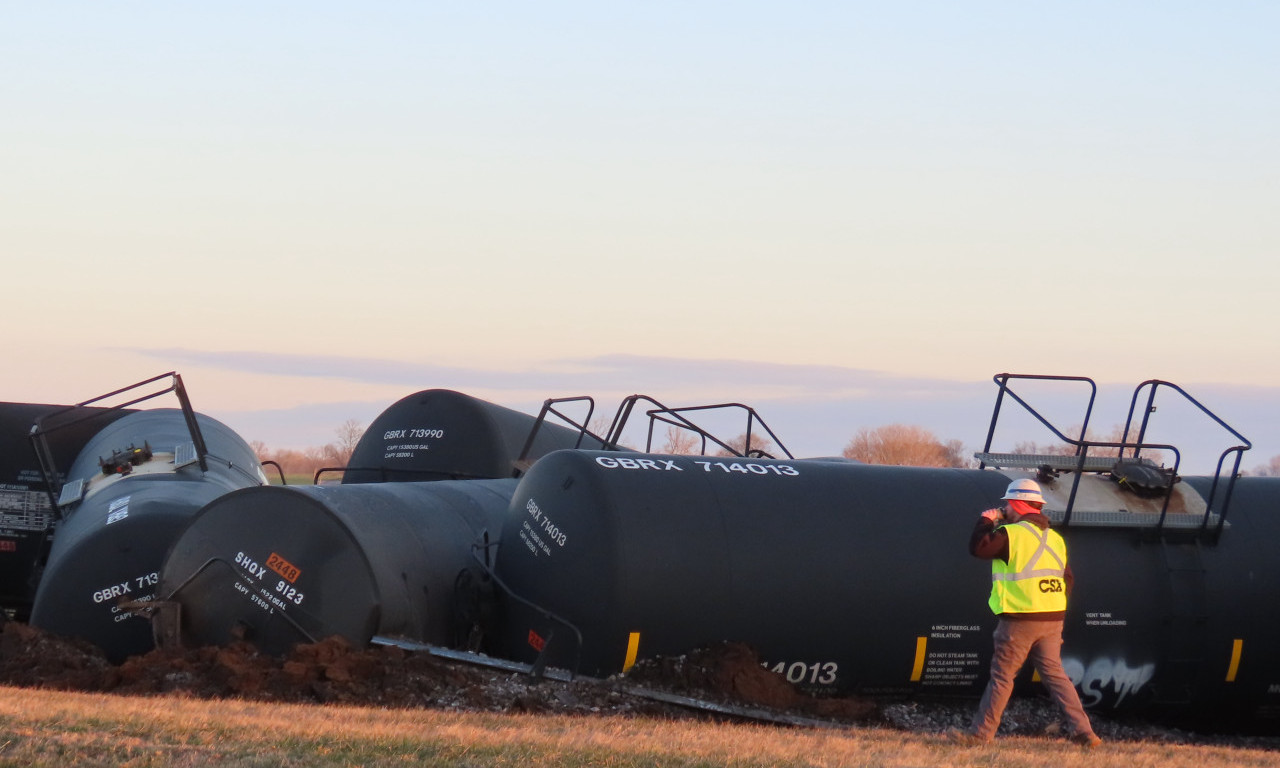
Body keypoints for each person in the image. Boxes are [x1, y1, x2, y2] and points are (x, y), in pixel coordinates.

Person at [949, 478, 1102, 748]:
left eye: (1007, 504)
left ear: (1017, 503)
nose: (1004, 509)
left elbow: (979, 548)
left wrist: (986, 520)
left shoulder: (1012, 534)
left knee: (1002, 676)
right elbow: (1068, 579)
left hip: (1020, 619)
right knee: (1055, 676)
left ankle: (980, 735)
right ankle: (1085, 733)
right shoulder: (1055, 538)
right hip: (1053, 617)